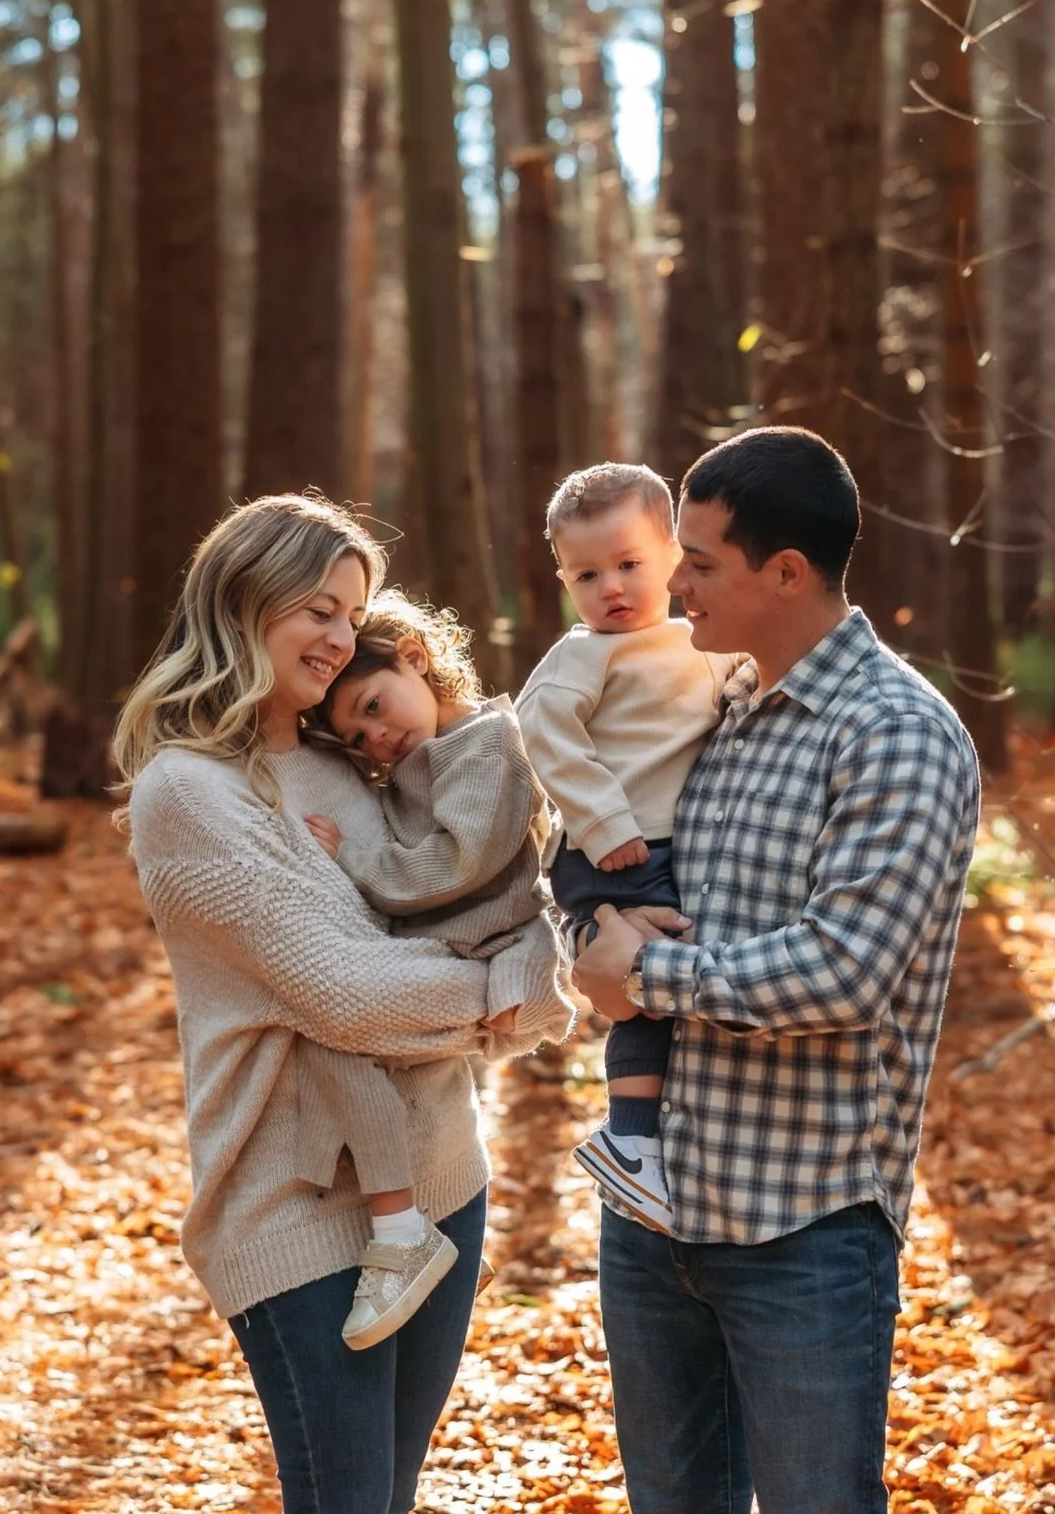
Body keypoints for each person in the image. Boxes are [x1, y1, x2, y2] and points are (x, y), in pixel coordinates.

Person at [116, 494, 571, 1514]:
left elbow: (479, 900)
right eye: (318, 608)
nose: (338, 636)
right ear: (247, 597)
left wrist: (527, 968)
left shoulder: (354, 762)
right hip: (293, 1213)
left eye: (350, 612)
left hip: (443, 1176)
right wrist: (516, 991)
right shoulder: (188, 791)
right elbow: (351, 996)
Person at [571, 427, 981, 1514]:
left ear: (786, 572)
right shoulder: (721, 708)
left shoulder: (897, 733)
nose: (674, 581)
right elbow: (617, 877)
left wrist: (644, 980)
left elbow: (843, 970)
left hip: (800, 1228)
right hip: (655, 1223)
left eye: (699, 559)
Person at [294, 590, 570, 1348]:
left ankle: (402, 1226)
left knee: (337, 1031)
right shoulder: (425, 756)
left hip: (476, 939)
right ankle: (415, 1225)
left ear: (418, 656)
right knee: (343, 1044)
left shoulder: (488, 745)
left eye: (377, 705)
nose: (379, 736)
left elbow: (454, 863)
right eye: (360, 733)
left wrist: (352, 853)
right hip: (441, 939)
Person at [514, 463, 737, 1230]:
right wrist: (606, 823)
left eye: (630, 563)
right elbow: (541, 727)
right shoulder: (585, 654)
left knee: (673, 974)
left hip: (665, 842)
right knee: (646, 985)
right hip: (616, 849)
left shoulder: (695, 638)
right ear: (564, 581)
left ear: (674, 553)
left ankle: (659, 1133)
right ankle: (632, 1140)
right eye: (588, 573)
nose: (611, 586)